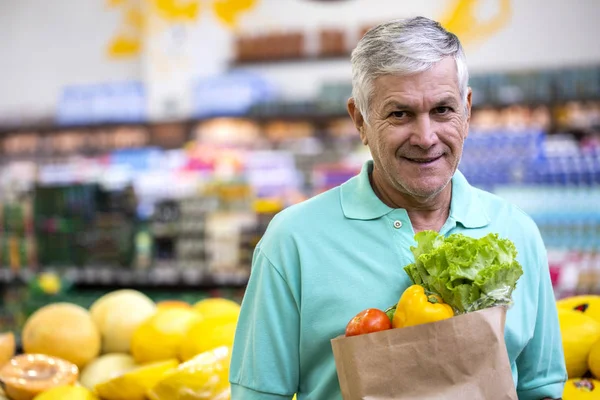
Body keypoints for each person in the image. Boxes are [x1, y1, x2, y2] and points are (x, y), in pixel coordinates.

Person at [229, 16, 567, 400]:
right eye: (399, 114)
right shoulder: (292, 241)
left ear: (467, 109)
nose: (426, 138)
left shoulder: (517, 232)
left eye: (442, 110)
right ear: (360, 119)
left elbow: (542, 390)